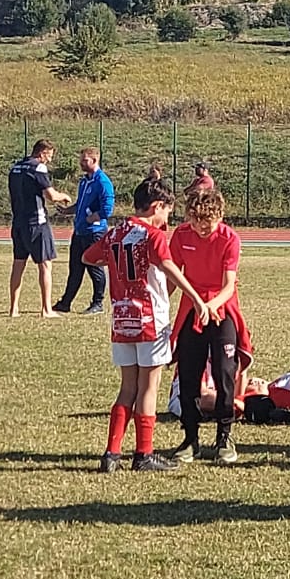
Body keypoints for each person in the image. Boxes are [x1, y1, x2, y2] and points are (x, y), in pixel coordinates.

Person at [84, 176, 209, 473]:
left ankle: (111, 454)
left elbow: (89, 257)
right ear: (157, 207)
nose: (168, 219)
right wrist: (196, 298)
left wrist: (114, 263)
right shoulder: (152, 236)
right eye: (167, 211)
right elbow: (168, 267)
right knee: (149, 387)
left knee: (127, 386)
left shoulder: (116, 233)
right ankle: (143, 454)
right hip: (151, 319)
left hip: (122, 319)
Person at [166, 187, 251, 465]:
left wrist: (210, 307)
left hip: (221, 310)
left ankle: (224, 436)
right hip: (192, 309)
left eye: (208, 222)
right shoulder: (180, 235)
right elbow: (173, 277)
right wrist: (159, 304)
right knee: (189, 374)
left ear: (219, 218)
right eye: (196, 221)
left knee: (225, 372)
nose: (202, 227)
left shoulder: (230, 239)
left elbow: (229, 286)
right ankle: (190, 439)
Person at [8, 139, 73, 318]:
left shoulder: (15, 167)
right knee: (45, 265)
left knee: (18, 264)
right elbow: (51, 195)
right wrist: (64, 196)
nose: (49, 161)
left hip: (18, 222)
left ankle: (13, 308)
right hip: (37, 222)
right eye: (49, 156)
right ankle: (46, 309)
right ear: (42, 152)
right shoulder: (38, 167)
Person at [54, 147, 113, 315]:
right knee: (75, 268)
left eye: (85, 160)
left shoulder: (102, 182)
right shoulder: (84, 181)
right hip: (79, 231)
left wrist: (92, 218)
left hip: (94, 233)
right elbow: (81, 204)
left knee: (94, 268)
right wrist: (67, 211)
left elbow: (107, 209)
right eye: (81, 160)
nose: (81, 163)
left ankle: (98, 303)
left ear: (95, 161)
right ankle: (65, 303)